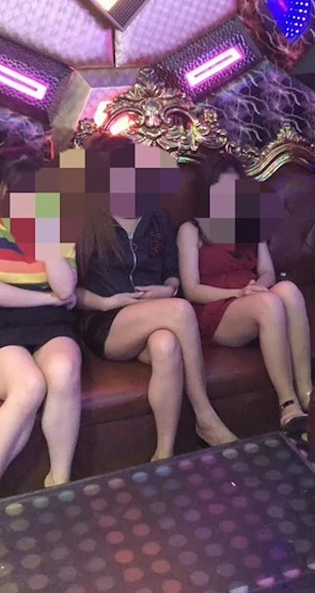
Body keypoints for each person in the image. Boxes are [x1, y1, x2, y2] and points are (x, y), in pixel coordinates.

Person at [73, 135, 238, 461]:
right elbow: (68, 291)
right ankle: (205, 416)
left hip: (154, 314)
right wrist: (106, 302)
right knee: (180, 312)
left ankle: (163, 453)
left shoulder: (156, 218)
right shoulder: (86, 221)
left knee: (166, 345)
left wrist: (169, 288)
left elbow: (171, 271)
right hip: (105, 321)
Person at [0, 141, 83, 507]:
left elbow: (66, 288)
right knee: (29, 386)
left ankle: (59, 480)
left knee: (63, 370)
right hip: (1, 328)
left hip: (51, 326)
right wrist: (46, 298)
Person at [176, 154, 312, 428]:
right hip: (216, 308)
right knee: (269, 304)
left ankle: (307, 392)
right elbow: (191, 290)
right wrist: (239, 294)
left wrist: (258, 287)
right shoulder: (191, 230)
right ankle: (288, 404)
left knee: (289, 290)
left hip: (253, 297)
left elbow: (267, 271)